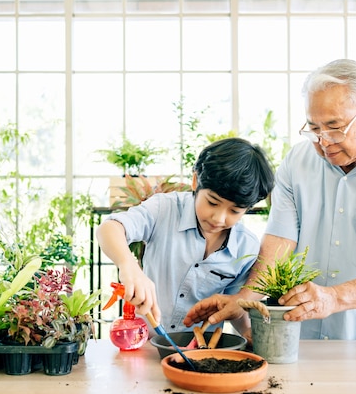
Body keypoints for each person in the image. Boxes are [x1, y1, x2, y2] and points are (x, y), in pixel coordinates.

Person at [184, 58, 356, 340]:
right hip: (303, 340)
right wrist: (245, 299)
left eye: (334, 127)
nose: (323, 141)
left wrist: (333, 298)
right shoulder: (297, 163)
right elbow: (279, 243)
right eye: (314, 128)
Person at [96, 137, 275, 334]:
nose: (219, 218)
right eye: (212, 203)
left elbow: (234, 307)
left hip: (201, 354)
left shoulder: (246, 247)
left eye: (235, 211)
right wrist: (128, 266)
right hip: (146, 344)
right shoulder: (164, 209)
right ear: (195, 181)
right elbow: (110, 228)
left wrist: (250, 334)